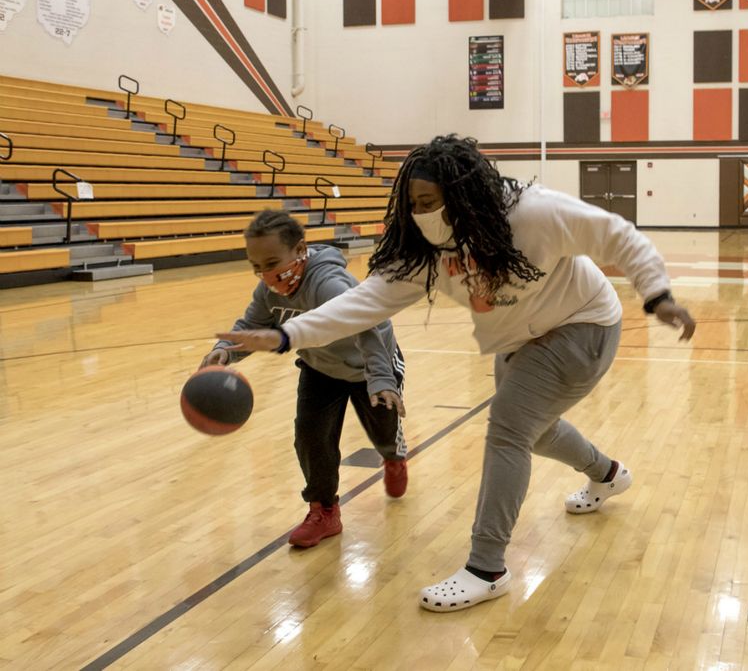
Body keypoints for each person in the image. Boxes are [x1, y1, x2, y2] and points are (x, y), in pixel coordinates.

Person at [217, 136, 696, 610]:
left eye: (429, 201)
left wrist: (657, 295)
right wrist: (286, 336)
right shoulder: (424, 248)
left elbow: (618, 235)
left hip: (583, 324)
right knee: (534, 431)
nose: (420, 212)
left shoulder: (533, 214)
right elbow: (364, 304)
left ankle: (487, 569)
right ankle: (607, 474)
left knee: (508, 428)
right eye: (412, 203)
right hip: (519, 340)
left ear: (464, 194)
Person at [203, 209, 408, 549]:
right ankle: (324, 509)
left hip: (368, 367)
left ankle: (393, 456)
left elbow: (372, 323)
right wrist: (225, 350)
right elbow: (253, 325)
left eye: (271, 262)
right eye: (256, 267)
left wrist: (382, 377)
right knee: (311, 438)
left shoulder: (328, 283)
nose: (265, 274)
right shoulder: (269, 290)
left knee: (383, 431)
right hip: (320, 368)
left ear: (300, 250)